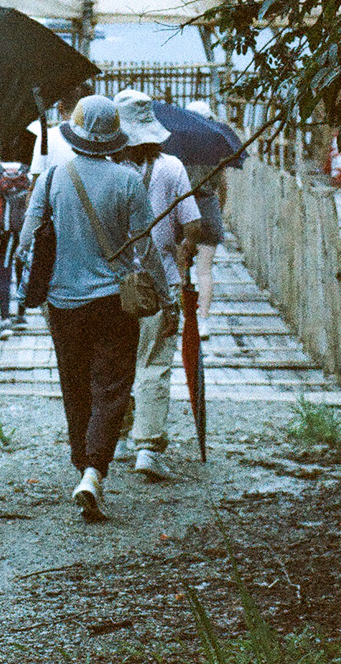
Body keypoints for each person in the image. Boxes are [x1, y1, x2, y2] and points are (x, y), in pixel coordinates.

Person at [18, 95, 153, 521]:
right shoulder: (129, 181)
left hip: (63, 303)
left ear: (74, 135)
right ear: (115, 138)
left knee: (74, 386)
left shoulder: (52, 178)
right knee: (111, 388)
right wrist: (165, 297)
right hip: (114, 302)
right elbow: (146, 248)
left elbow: (26, 241)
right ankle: (94, 470)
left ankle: (83, 466)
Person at [113, 90, 207, 480]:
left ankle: (118, 436)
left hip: (113, 284)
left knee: (116, 361)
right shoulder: (171, 168)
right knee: (153, 363)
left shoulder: (108, 171)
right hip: (161, 281)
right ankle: (148, 447)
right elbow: (193, 224)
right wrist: (184, 251)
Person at [185, 99, 237, 336]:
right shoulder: (216, 149)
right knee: (204, 271)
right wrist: (218, 211)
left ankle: (183, 316)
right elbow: (223, 187)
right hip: (208, 208)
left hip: (185, 209)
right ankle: (203, 321)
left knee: (181, 267)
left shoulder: (180, 147)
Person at [0, 129, 36, 339]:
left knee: (3, 274)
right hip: (23, 232)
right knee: (22, 272)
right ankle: (21, 316)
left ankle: (5, 320)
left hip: (0, 234)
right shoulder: (27, 173)